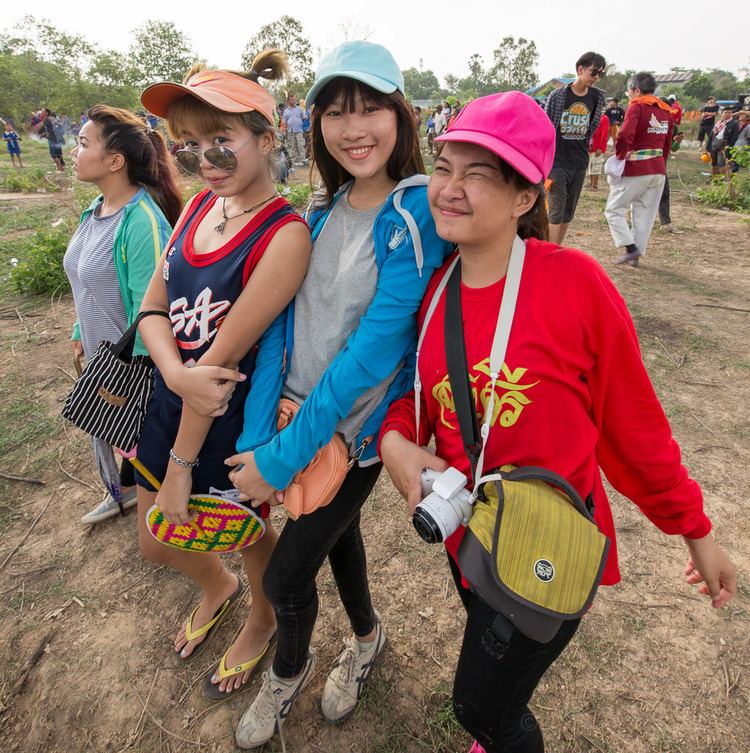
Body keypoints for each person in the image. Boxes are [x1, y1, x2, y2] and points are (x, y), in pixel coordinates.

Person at [378, 89, 737, 753]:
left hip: (550, 548)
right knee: (490, 649)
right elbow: (414, 398)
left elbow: (636, 427)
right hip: (473, 534)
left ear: (525, 197)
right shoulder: (436, 289)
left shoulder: (573, 282)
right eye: (446, 166)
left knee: (480, 707)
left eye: (478, 174)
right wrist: (396, 440)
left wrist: (695, 529)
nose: (450, 189)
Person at [226, 40, 452, 748]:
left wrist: (282, 457)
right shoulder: (319, 213)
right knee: (339, 537)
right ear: (315, 122)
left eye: (371, 108)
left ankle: (284, 676)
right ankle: (368, 634)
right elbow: (281, 336)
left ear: (401, 116)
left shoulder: (412, 216)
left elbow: (366, 362)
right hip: (295, 425)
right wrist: (258, 443)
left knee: (286, 578)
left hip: (351, 439)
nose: (354, 128)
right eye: (336, 111)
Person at [136, 51, 312, 700]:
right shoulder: (195, 209)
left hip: (224, 423)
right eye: (188, 146)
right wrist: (174, 373)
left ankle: (262, 617)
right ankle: (218, 584)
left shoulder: (285, 235)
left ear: (266, 142)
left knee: (245, 529)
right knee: (159, 539)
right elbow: (152, 306)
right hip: (172, 398)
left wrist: (183, 461)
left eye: (221, 141)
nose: (203, 160)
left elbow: (221, 363)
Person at [62, 105, 181, 524]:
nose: (73, 151)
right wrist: (80, 329)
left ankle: (160, 505)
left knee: (136, 436)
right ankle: (127, 489)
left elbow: (150, 310)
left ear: (115, 161)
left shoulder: (142, 221)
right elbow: (82, 279)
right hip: (100, 355)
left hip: (129, 367)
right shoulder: (94, 210)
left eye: (82, 143)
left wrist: (130, 377)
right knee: (116, 432)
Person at [604, 72, 673, 266]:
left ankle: (630, 248)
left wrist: (620, 155)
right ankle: (636, 253)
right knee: (645, 213)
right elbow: (667, 143)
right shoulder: (665, 109)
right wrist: (661, 164)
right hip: (658, 168)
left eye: (628, 91)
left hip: (638, 167)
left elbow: (624, 135)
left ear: (636, 90)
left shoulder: (637, 106)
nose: (628, 95)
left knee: (614, 209)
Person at [544, 51, 606, 245]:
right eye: (594, 72)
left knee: (568, 210)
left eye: (600, 74)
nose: (596, 78)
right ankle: (549, 252)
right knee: (556, 206)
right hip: (557, 161)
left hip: (579, 161)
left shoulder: (597, 98)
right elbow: (546, 127)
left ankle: (556, 247)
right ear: (580, 69)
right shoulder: (558, 96)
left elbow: (592, 127)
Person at [710, 107, 739, 178]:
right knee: (714, 163)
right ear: (722, 114)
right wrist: (708, 146)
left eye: (729, 113)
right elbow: (712, 134)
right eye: (725, 113)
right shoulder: (719, 122)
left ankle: (724, 180)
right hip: (715, 143)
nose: (727, 114)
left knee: (722, 164)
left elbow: (734, 138)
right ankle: (714, 179)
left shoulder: (734, 124)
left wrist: (728, 147)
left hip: (724, 145)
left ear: (732, 114)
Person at [282, 93, 307, 166]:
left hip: (299, 130)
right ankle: (295, 161)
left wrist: (305, 116)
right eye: (292, 100)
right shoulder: (286, 111)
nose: (294, 101)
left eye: (295, 99)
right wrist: (284, 131)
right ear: (288, 101)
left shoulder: (299, 109)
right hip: (290, 131)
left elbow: (304, 116)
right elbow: (284, 122)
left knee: (301, 144)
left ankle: (303, 160)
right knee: (292, 146)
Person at [586, 113, 609, 189]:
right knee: (590, 165)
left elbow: (604, 134)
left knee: (596, 165)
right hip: (590, 146)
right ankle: (591, 183)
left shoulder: (604, 118)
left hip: (597, 147)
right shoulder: (591, 117)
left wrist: (601, 147)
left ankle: (595, 185)